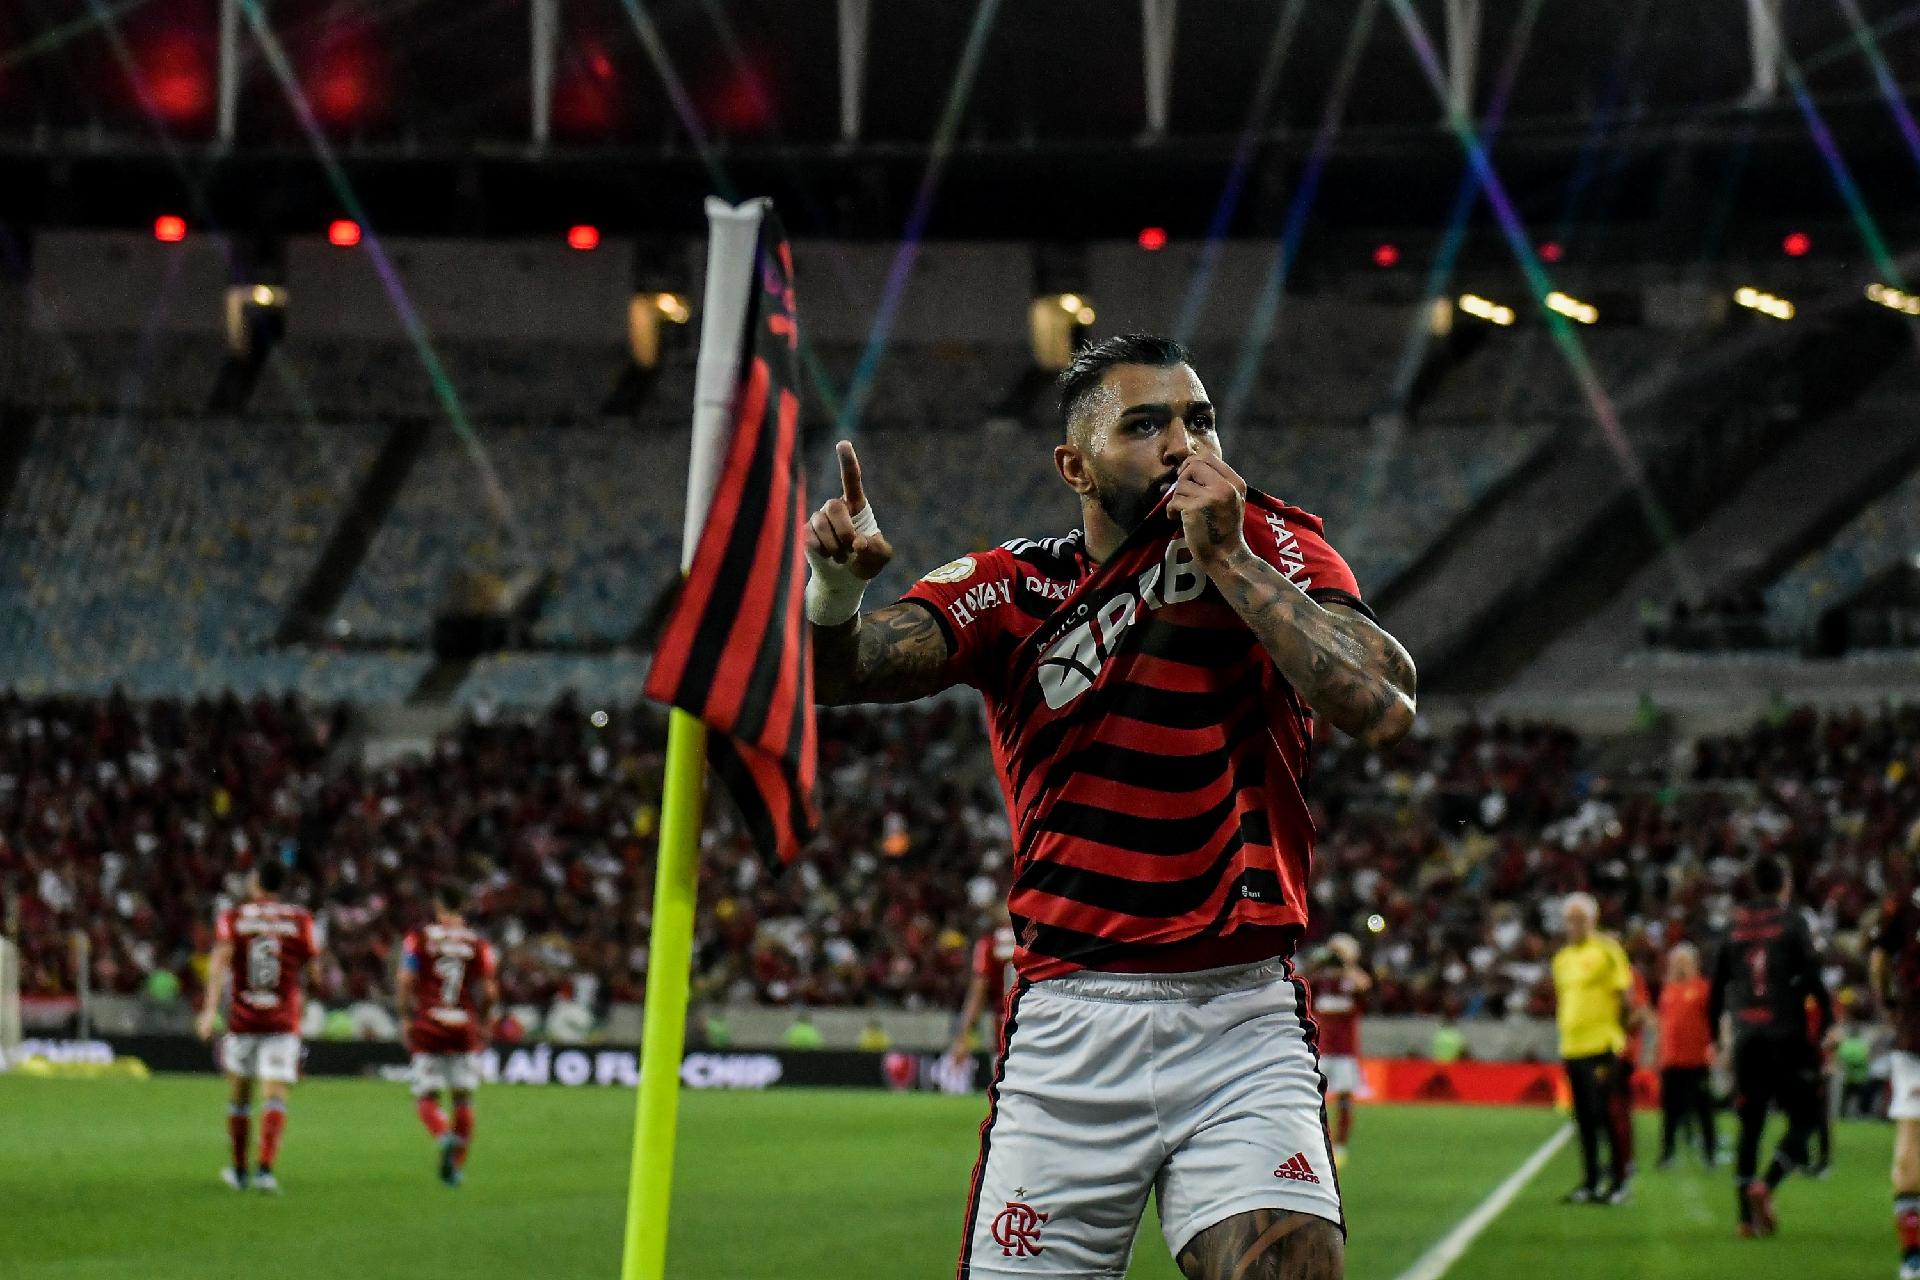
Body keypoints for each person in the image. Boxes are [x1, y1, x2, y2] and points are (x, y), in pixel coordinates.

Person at [805, 334, 1416, 1280]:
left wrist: (1232, 562)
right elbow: (837, 674)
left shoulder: (1278, 543)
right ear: (1074, 465)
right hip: (1071, 1026)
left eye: (1199, 420)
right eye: (1147, 424)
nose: (1184, 444)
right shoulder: (1012, 590)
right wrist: (835, 593)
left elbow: (1384, 703)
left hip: (1240, 1017)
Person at [1709, 853, 1832, 1239]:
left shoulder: (1733, 925)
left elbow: (1715, 990)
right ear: (1784, 884)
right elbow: (1812, 976)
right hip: (1786, 1033)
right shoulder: (1792, 921)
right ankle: (1768, 1183)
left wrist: (1716, 1037)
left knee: (1750, 1125)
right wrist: (1827, 1021)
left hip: (1747, 1037)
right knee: (1806, 1117)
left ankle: (1745, 1219)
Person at [195, 859, 322, 1194]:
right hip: (282, 1022)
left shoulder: (234, 918)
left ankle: (238, 1173)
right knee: (275, 1096)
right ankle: (265, 1170)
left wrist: (208, 1011)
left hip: (243, 1020)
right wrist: (302, 990)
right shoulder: (301, 920)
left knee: (240, 1097)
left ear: (256, 884)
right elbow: (315, 973)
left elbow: (219, 964)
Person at [396, 885, 497, 1187]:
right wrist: (486, 1019)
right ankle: (455, 1168)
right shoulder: (478, 943)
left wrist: (404, 1016)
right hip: (463, 1026)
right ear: (463, 907)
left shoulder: (419, 938)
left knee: (426, 1096)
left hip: (429, 1025)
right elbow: (489, 989)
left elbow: (405, 979)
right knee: (463, 1098)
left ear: (438, 906)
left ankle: (442, 1134)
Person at [1550, 892, 1634, 1206]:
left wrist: (1616, 1034)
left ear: (1593, 920)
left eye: (1580, 918)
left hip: (1601, 1046)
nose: (1574, 925)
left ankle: (1619, 1182)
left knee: (1607, 1115)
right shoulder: (1561, 959)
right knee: (1583, 1118)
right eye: (1570, 919)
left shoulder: (1607, 951)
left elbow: (1625, 997)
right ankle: (1591, 1181)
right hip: (1572, 1048)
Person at [1872, 881, 1920, 1278]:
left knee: (1910, 1142)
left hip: (1914, 1035)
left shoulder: (1901, 906)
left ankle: (1912, 1260)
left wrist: (1888, 1001)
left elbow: (1878, 961)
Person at [1309, 935, 1373, 1169]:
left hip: (1345, 1051)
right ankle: (1315, 1141)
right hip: (1322, 1050)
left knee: (1345, 1098)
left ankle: (1341, 1146)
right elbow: (1301, 982)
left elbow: (1366, 986)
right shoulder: (1320, 981)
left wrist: (1347, 966)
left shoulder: (1352, 981)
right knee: (1313, 1098)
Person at [1655, 943, 1717, 1168]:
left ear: (1694, 964)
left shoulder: (1703, 988)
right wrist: (1658, 1054)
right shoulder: (1668, 989)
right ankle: (1667, 1153)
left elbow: (1714, 1021)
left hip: (1697, 1059)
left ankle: (1710, 1153)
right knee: (1670, 1110)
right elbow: (1664, 1024)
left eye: (1683, 962)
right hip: (1671, 1060)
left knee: (1703, 1109)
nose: (1679, 966)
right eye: (1676, 962)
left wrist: (1714, 1046)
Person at [946, 905, 1016, 1067]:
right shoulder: (1034, 940)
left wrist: (963, 1035)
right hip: (1039, 1019)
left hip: (1005, 1024)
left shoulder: (989, 943)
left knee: (1006, 1086)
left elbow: (978, 991)